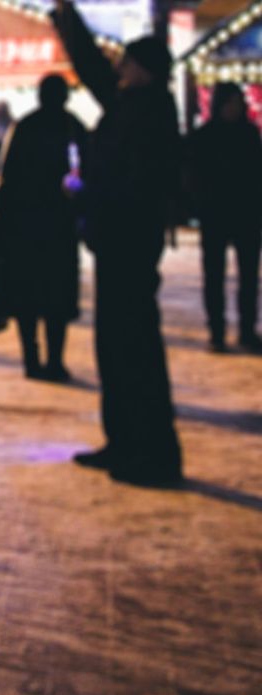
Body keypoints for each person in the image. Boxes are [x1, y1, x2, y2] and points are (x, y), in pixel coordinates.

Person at [52, 0, 183, 486]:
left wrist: (87, 192)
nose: (120, 65)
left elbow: (137, 184)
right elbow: (91, 68)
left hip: (130, 242)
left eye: (128, 60)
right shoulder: (132, 102)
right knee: (115, 344)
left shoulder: (151, 113)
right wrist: (67, 15)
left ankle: (153, 454)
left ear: (145, 70)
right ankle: (124, 440)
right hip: (115, 242)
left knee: (135, 347)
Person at [0, 74, 87, 381]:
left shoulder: (24, 127)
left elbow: (5, 180)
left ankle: (32, 359)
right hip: (59, 223)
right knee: (57, 297)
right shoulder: (72, 126)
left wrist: (1, 221)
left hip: (24, 224)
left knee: (27, 295)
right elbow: (87, 172)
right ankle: (55, 360)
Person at [187, 81, 262, 353]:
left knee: (248, 277)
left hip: (244, 214)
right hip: (218, 213)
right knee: (215, 275)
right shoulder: (207, 137)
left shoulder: (248, 135)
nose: (234, 108)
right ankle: (217, 330)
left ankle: (246, 329)